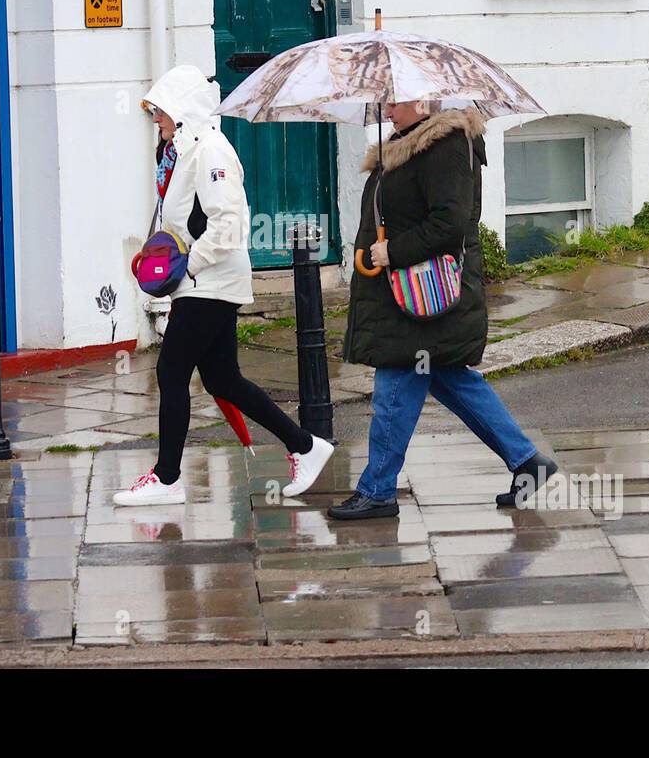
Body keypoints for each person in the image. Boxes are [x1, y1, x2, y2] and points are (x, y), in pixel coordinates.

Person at [114, 65, 335, 506]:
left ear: (181, 111)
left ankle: (167, 478)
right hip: (203, 281)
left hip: (210, 281)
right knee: (222, 378)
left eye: (160, 112)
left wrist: (187, 266)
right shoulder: (182, 150)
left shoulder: (211, 151)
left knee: (171, 371)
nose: (155, 120)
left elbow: (230, 224)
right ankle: (306, 447)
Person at [328, 100, 558, 520]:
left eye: (393, 101)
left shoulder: (446, 146)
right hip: (408, 291)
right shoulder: (405, 143)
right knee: (449, 378)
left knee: (395, 382)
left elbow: (449, 223)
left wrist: (392, 251)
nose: (386, 109)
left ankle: (377, 489)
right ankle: (527, 463)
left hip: (425, 294)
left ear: (422, 100)